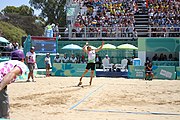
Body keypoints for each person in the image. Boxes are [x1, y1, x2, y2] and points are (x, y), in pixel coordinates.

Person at [0, 49, 27, 119]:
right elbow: (12, 73)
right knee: (4, 112)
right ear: (23, 59)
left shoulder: (5, 63)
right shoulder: (20, 64)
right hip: (1, 81)